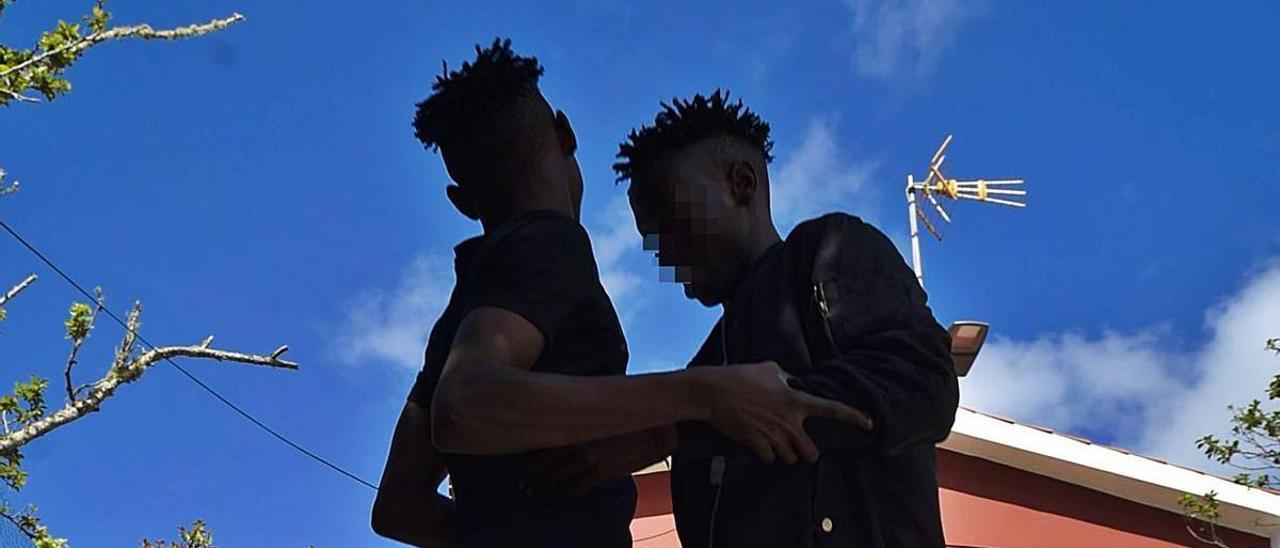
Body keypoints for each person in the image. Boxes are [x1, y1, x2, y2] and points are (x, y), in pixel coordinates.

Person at [371, 41, 871, 548]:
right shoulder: (550, 241)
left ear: (460, 202)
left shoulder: (456, 317)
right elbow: (463, 405)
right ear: (566, 133)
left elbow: (398, 505)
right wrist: (701, 394)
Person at [607, 90, 961, 547]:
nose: (663, 251)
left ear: (742, 183)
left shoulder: (827, 249)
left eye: (671, 219)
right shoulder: (704, 375)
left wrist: (713, 419)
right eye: (650, 237)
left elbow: (924, 380)